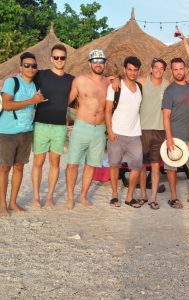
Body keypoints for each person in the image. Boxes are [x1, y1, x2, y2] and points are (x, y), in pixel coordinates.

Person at [0, 52, 46, 216]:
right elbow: (6, 104)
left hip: (26, 133)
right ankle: (2, 205)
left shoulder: (35, 86)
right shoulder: (12, 82)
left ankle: (13, 202)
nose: (30, 68)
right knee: (4, 169)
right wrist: (31, 101)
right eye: (27, 65)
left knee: (19, 168)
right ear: (21, 67)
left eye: (33, 66)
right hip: (7, 132)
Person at [31, 44, 74, 208]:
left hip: (59, 127)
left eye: (62, 57)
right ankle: (36, 197)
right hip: (41, 123)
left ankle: (49, 197)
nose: (59, 60)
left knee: (55, 162)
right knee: (38, 162)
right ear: (51, 58)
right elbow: (22, 78)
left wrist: (111, 81)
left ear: (66, 59)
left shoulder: (71, 79)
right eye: (56, 57)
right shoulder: (40, 75)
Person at [66, 49, 109, 209]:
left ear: (105, 63)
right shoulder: (80, 80)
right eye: (95, 61)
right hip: (82, 126)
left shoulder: (109, 83)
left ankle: (83, 196)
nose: (98, 64)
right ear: (89, 63)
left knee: (91, 164)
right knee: (72, 163)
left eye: (101, 61)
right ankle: (70, 197)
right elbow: (67, 100)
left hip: (100, 129)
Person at [105, 56, 144, 208]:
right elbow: (108, 110)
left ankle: (129, 197)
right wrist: (110, 130)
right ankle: (114, 195)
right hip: (117, 133)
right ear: (124, 69)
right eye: (130, 70)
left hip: (135, 134)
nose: (132, 73)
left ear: (139, 70)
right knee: (114, 165)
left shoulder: (140, 87)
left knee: (136, 166)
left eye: (135, 70)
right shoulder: (115, 87)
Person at [162, 57, 189, 209]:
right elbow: (166, 116)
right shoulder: (169, 91)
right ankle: (173, 197)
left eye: (181, 69)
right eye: (175, 69)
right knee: (171, 167)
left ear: (185, 69)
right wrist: (169, 138)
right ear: (172, 70)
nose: (178, 72)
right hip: (175, 135)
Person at [137, 58, 169, 208]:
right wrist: (115, 78)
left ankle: (154, 198)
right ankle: (143, 195)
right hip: (142, 129)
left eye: (162, 68)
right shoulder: (142, 81)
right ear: (151, 68)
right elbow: (127, 82)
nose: (158, 70)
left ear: (164, 70)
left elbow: (181, 85)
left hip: (160, 130)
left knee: (156, 166)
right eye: (156, 67)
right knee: (143, 166)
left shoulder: (167, 84)